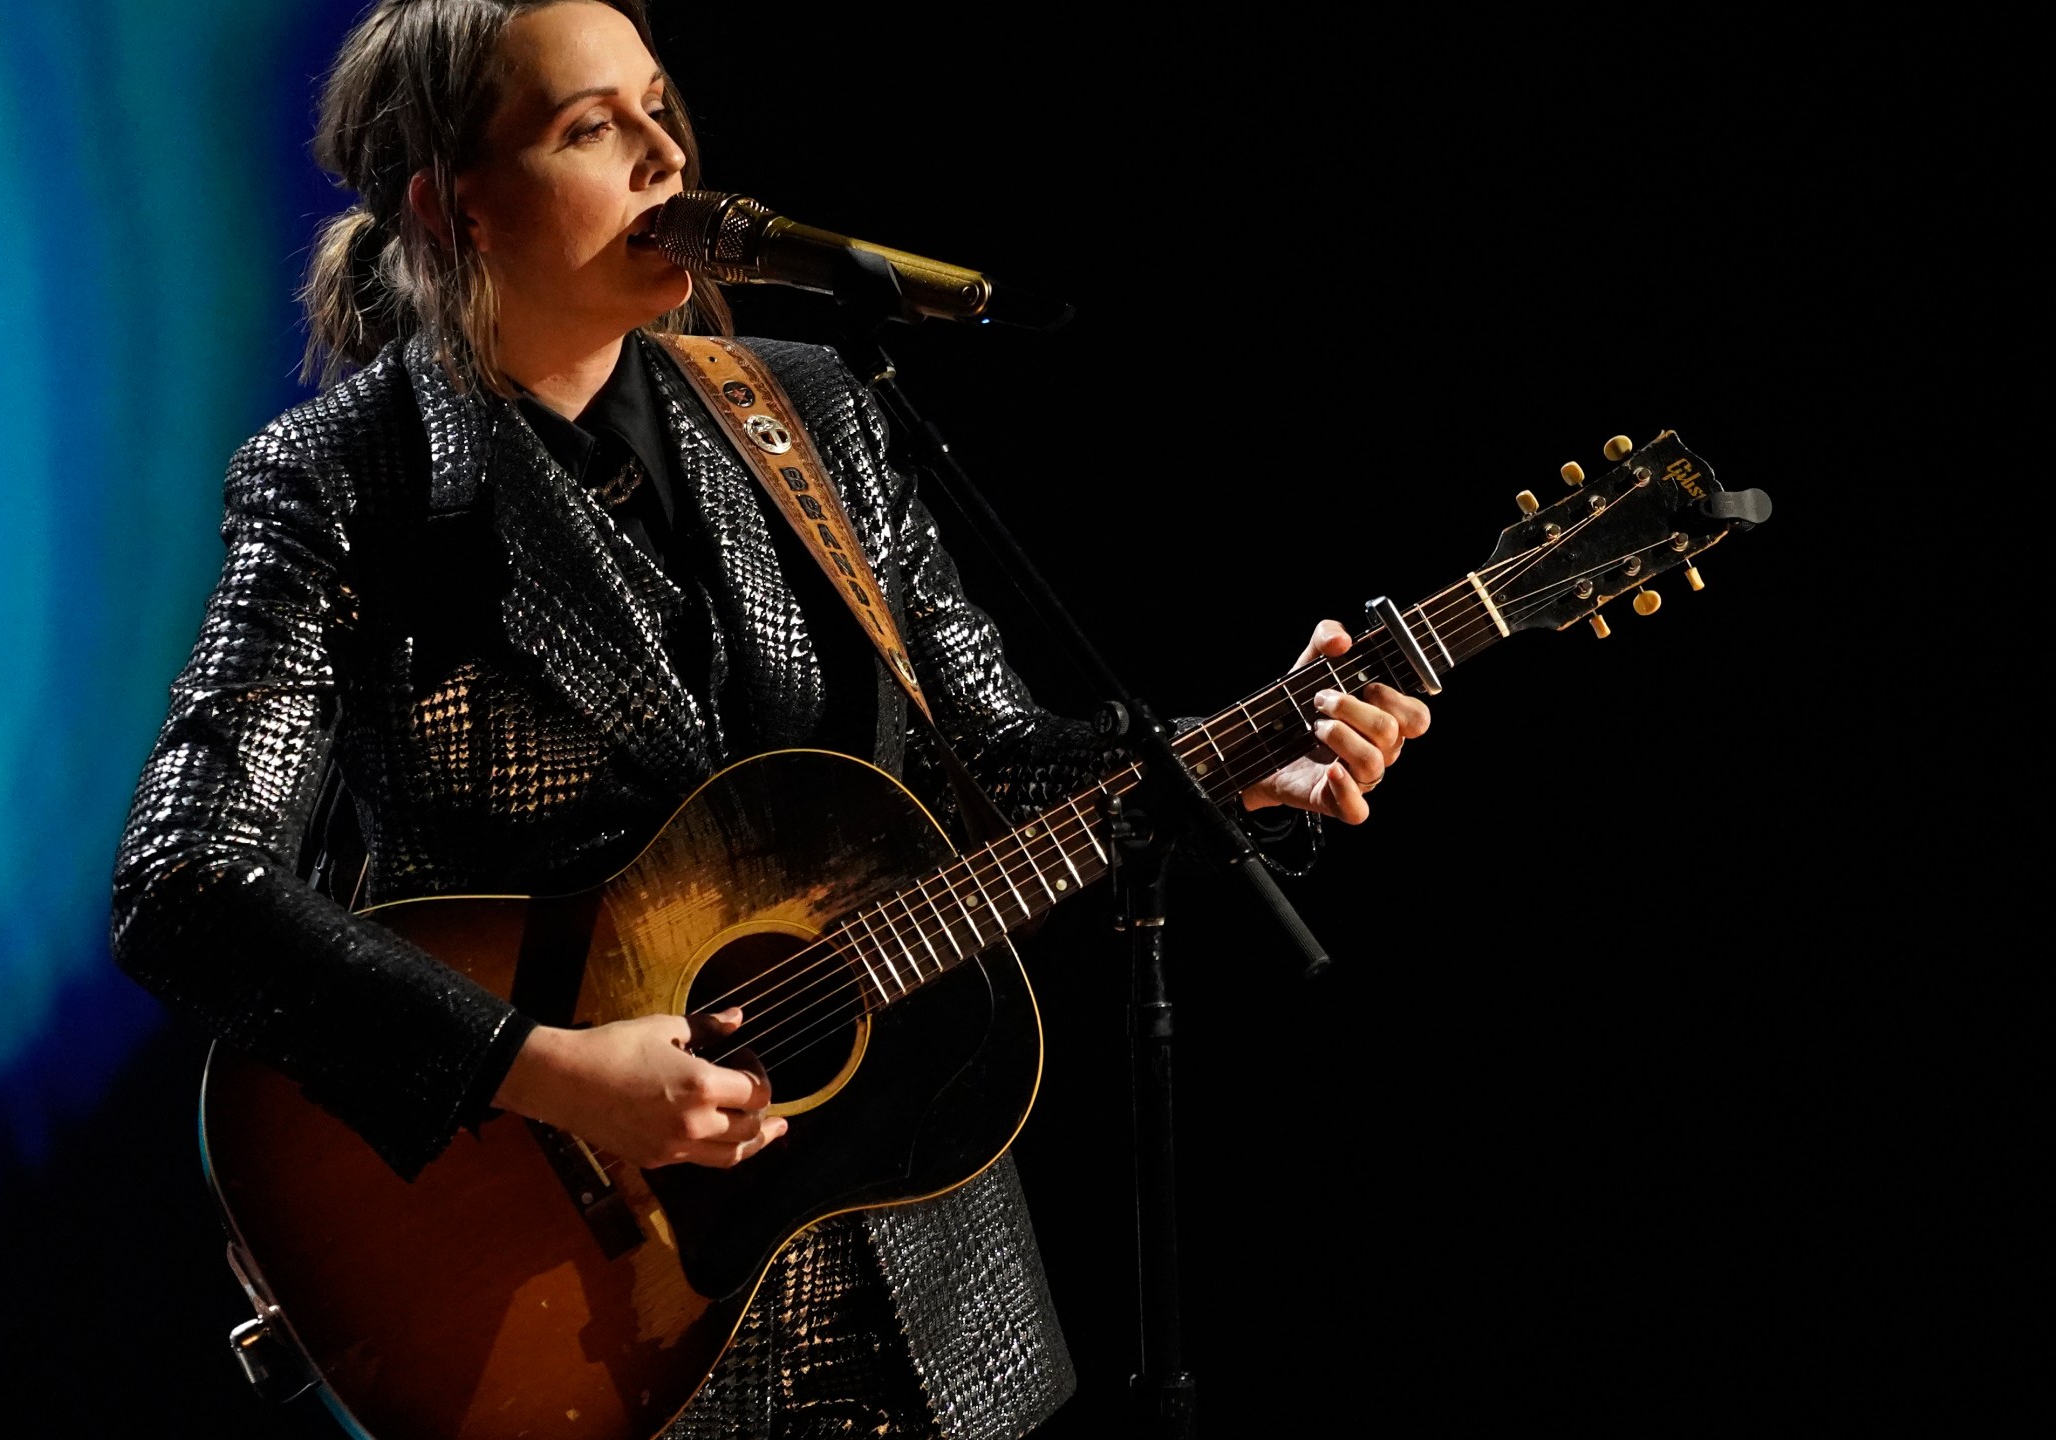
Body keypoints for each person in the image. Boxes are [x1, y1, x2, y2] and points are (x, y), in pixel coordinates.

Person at [109, 2, 1430, 1434]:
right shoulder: (348, 479)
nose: (666, 154)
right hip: (594, 1317)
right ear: (452, 205)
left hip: (924, 1277)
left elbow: (986, 760)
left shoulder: (804, 410)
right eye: (590, 127)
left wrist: (1241, 760)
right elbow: (186, 881)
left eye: (661, 104)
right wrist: (547, 1073)